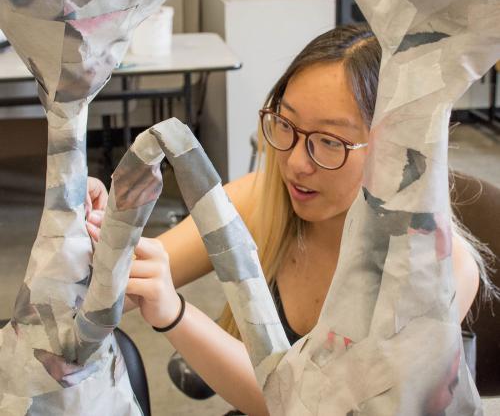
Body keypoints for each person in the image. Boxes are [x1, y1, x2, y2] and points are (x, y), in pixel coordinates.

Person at [86, 24, 489, 414]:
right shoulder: (257, 202)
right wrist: (100, 233)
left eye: (329, 142)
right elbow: (114, 285)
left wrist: (175, 314)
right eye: (286, 124)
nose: (295, 164)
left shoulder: (440, 271)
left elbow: (313, 408)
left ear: (396, 153)